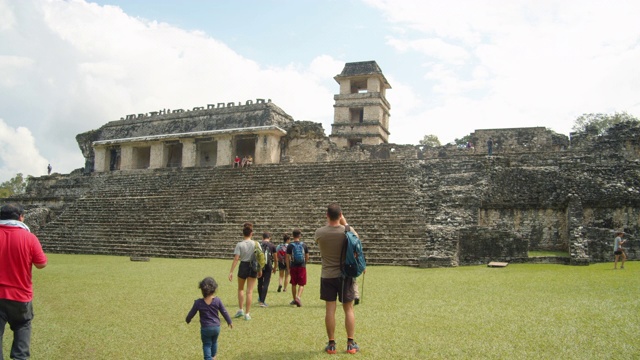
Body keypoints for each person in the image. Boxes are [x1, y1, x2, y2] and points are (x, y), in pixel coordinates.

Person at [0, 203, 48, 360]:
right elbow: (41, 264)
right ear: (20, 217)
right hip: (20, 295)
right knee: (22, 327)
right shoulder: (29, 237)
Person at [314, 203, 359, 354]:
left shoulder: (319, 233)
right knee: (348, 309)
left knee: (330, 309)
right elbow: (357, 240)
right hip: (345, 275)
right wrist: (344, 223)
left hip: (327, 275)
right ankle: (350, 344)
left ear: (326, 215)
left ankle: (332, 344)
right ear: (340, 215)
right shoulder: (348, 231)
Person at [186, 277, 233, 360]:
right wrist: (229, 321)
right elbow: (224, 311)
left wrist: (188, 319)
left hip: (205, 328)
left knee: (207, 344)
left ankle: (209, 358)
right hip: (216, 327)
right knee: (214, 342)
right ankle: (213, 357)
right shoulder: (217, 300)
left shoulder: (198, 303)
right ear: (214, 289)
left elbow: (191, 313)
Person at [228, 222, 264, 321]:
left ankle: (240, 309)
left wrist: (231, 271)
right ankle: (247, 314)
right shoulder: (256, 244)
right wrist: (260, 269)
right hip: (253, 266)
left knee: (240, 289)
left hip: (243, 265)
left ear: (243, 233)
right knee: (250, 291)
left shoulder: (239, 244)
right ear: (251, 233)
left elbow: (236, 259)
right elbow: (259, 257)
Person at [286, 228, 308, 307]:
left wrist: (288, 268)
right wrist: (305, 263)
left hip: (293, 266)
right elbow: (307, 256)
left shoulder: (290, 246)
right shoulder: (304, 245)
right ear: (300, 236)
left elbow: (287, 258)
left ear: (292, 236)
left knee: (294, 283)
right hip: (302, 266)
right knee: (302, 284)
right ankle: (298, 297)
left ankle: (295, 298)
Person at [257, 232, 277, 307]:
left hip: (260, 265)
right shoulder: (272, 246)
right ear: (270, 238)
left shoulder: (259, 244)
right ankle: (262, 301)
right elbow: (275, 258)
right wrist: (275, 267)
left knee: (259, 282)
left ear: (262, 237)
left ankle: (260, 298)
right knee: (266, 282)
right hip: (268, 265)